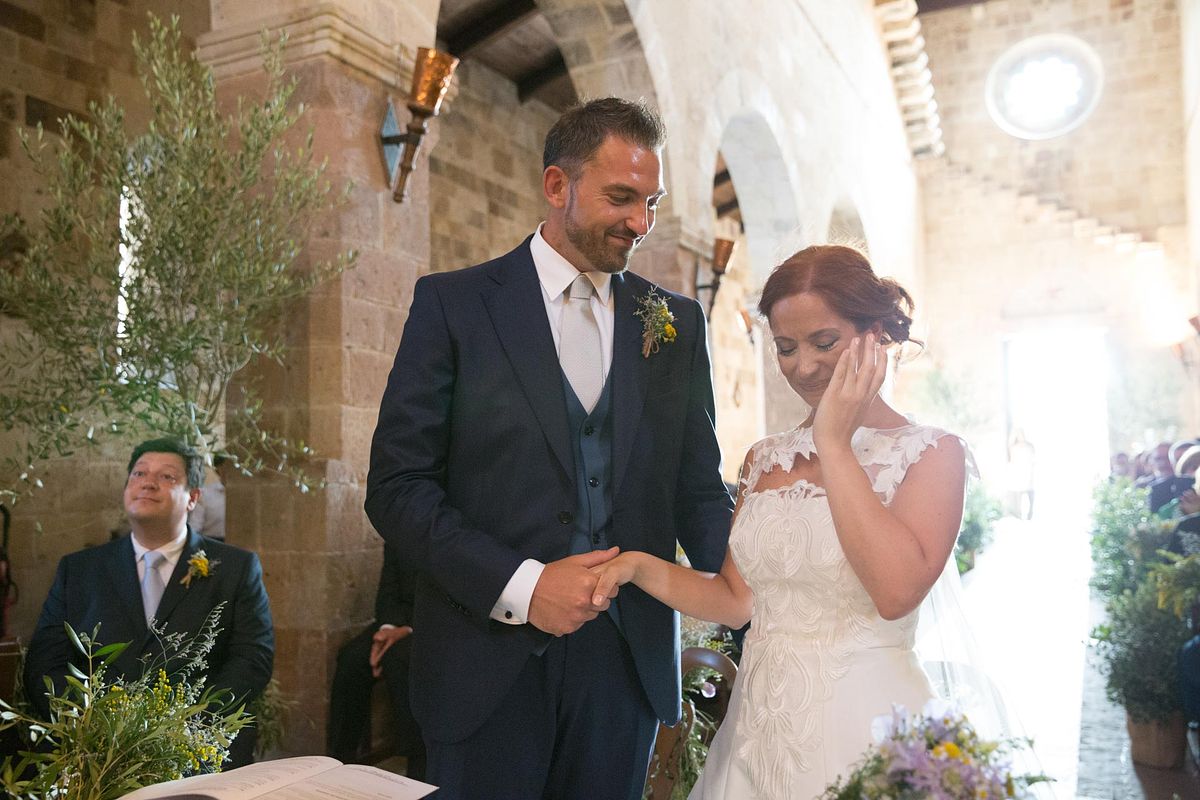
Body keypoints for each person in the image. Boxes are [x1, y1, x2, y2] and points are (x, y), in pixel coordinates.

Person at [365, 97, 733, 800]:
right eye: (621, 198)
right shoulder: (454, 306)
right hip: (484, 659)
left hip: (624, 666)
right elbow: (397, 487)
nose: (641, 222)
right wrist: (525, 587)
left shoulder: (676, 324)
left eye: (651, 201)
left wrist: (763, 590)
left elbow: (696, 492)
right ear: (556, 186)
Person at [591, 245, 971, 798]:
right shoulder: (765, 459)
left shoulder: (933, 455)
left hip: (862, 728)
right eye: (786, 347)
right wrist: (637, 566)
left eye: (825, 342)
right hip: (757, 730)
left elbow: (895, 592)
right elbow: (734, 599)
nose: (804, 366)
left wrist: (834, 444)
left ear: (877, 334)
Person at [24, 438, 274, 769]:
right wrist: (95, 724)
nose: (148, 482)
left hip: (201, 751)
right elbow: (46, 662)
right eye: (139, 473)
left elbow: (252, 658)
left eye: (167, 476)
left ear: (193, 498)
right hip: (97, 756)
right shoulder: (80, 570)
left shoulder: (235, 568)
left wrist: (182, 724)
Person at [326, 541, 425, 779]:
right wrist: (387, 630)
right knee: (351, 659)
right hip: (394, 621)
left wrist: (408, 629)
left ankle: (416, 765)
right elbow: (388, 592)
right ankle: (341, 759)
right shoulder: (398, 532)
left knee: (399, 659)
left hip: (435, 627)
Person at [188, 455, 229, 540]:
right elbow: (195, 528)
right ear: (218, 470)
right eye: (225, 468)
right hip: (212, 543)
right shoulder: (205, 494)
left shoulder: (249, 495)